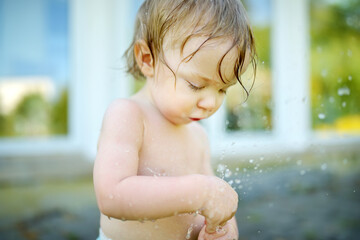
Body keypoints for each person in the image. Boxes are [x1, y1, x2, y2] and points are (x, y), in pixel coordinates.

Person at [93, 0, 256, 239]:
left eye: (223, 90)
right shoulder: (129, 116)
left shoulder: (199, 136)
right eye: (196, 85)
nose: (211, 103)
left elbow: (209, 206)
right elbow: (112, 196)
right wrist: (199, 192)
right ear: (147, 59)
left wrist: (222, 228)